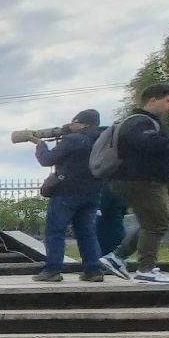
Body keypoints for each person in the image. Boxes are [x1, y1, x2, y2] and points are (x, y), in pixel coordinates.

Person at [109, 82, 169, 284]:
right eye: (168, 101)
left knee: (151, 223)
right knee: (158, 223)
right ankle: (145, 270)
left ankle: (116, 258)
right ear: (153, 100)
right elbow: (145, 144)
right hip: (142, 180)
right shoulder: (140, 121)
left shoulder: (142, 122)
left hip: (136, 179)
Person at [31, 109, 109, 282]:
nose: (70, 125)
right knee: (87, 232)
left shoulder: (72, 140)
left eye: (73, 122)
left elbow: (47, 160)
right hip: (93, 191)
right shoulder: (102, 140)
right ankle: (93, 270)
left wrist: (40, 145)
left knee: (55, 232)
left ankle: (52, 270)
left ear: (82, 123)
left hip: (66, 192)